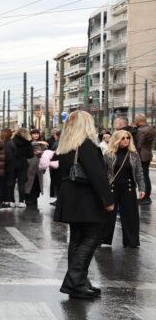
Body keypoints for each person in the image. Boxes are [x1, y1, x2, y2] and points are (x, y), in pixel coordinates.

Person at [54, 110, 114, 299]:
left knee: (77, 239)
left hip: (70, 197)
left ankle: (79, 281)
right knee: (92, 238)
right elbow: (97, 176)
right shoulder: (86, 145)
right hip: (86, 198)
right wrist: (107, 200)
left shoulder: (64, 146)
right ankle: (74, 282)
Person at [100, 129, 145, 248]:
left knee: (130, 215)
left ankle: (131, 241)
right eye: (123, 138)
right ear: (117, 139)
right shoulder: (108, 154)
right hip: (112, 187)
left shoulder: (133, 154)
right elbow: (103, 173)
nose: (126, 140)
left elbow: (139, 172)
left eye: (128, 138)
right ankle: (103, 239)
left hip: (128, 187)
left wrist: (142, 188)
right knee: (109, 214)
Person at [134, 113, 154, 204]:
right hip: (148, 155)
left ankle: (145, 198)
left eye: (135, 119)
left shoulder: (141, 130)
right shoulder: (150, 128)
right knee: (146, 176)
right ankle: (147, 197)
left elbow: (139, 145)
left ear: (139, 120)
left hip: (141, 156)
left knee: (143, 177)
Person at [11, 127, 32, 207]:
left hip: (12, 164)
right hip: (23, 164)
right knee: (21, 183)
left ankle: (12, 200)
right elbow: (30, 155)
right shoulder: (28, 143)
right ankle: (21, 201)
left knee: (11, 183)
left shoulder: (12, 142)